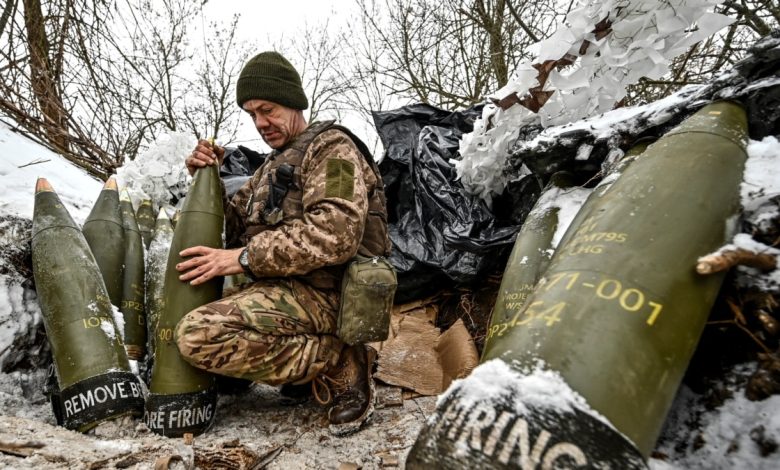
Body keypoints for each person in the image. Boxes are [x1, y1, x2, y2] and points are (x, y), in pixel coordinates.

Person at [175, 51, 391, 436]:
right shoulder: (269, 169)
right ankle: (302, 366)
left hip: (330, 293)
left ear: (293, 101)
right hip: (285, 290)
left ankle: (337, 358)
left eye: (268, 109)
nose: (260, 122)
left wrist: (242, 258)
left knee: (198, 335)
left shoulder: (332, 149)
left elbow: (336, 232)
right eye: (251, 113)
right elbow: (231, 229)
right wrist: (205, 181)